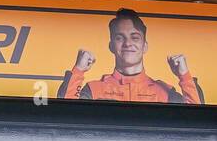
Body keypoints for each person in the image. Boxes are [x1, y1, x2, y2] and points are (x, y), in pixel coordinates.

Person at [58, 8, 203, 104]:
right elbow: (65, 113)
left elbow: (197, 118)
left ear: (145, 46)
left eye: (135, 37)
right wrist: (78, 70)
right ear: (111, 46)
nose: (128, 43)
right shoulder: (94, 90)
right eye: (120, 37)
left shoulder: (164, 92)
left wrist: (185, 77)